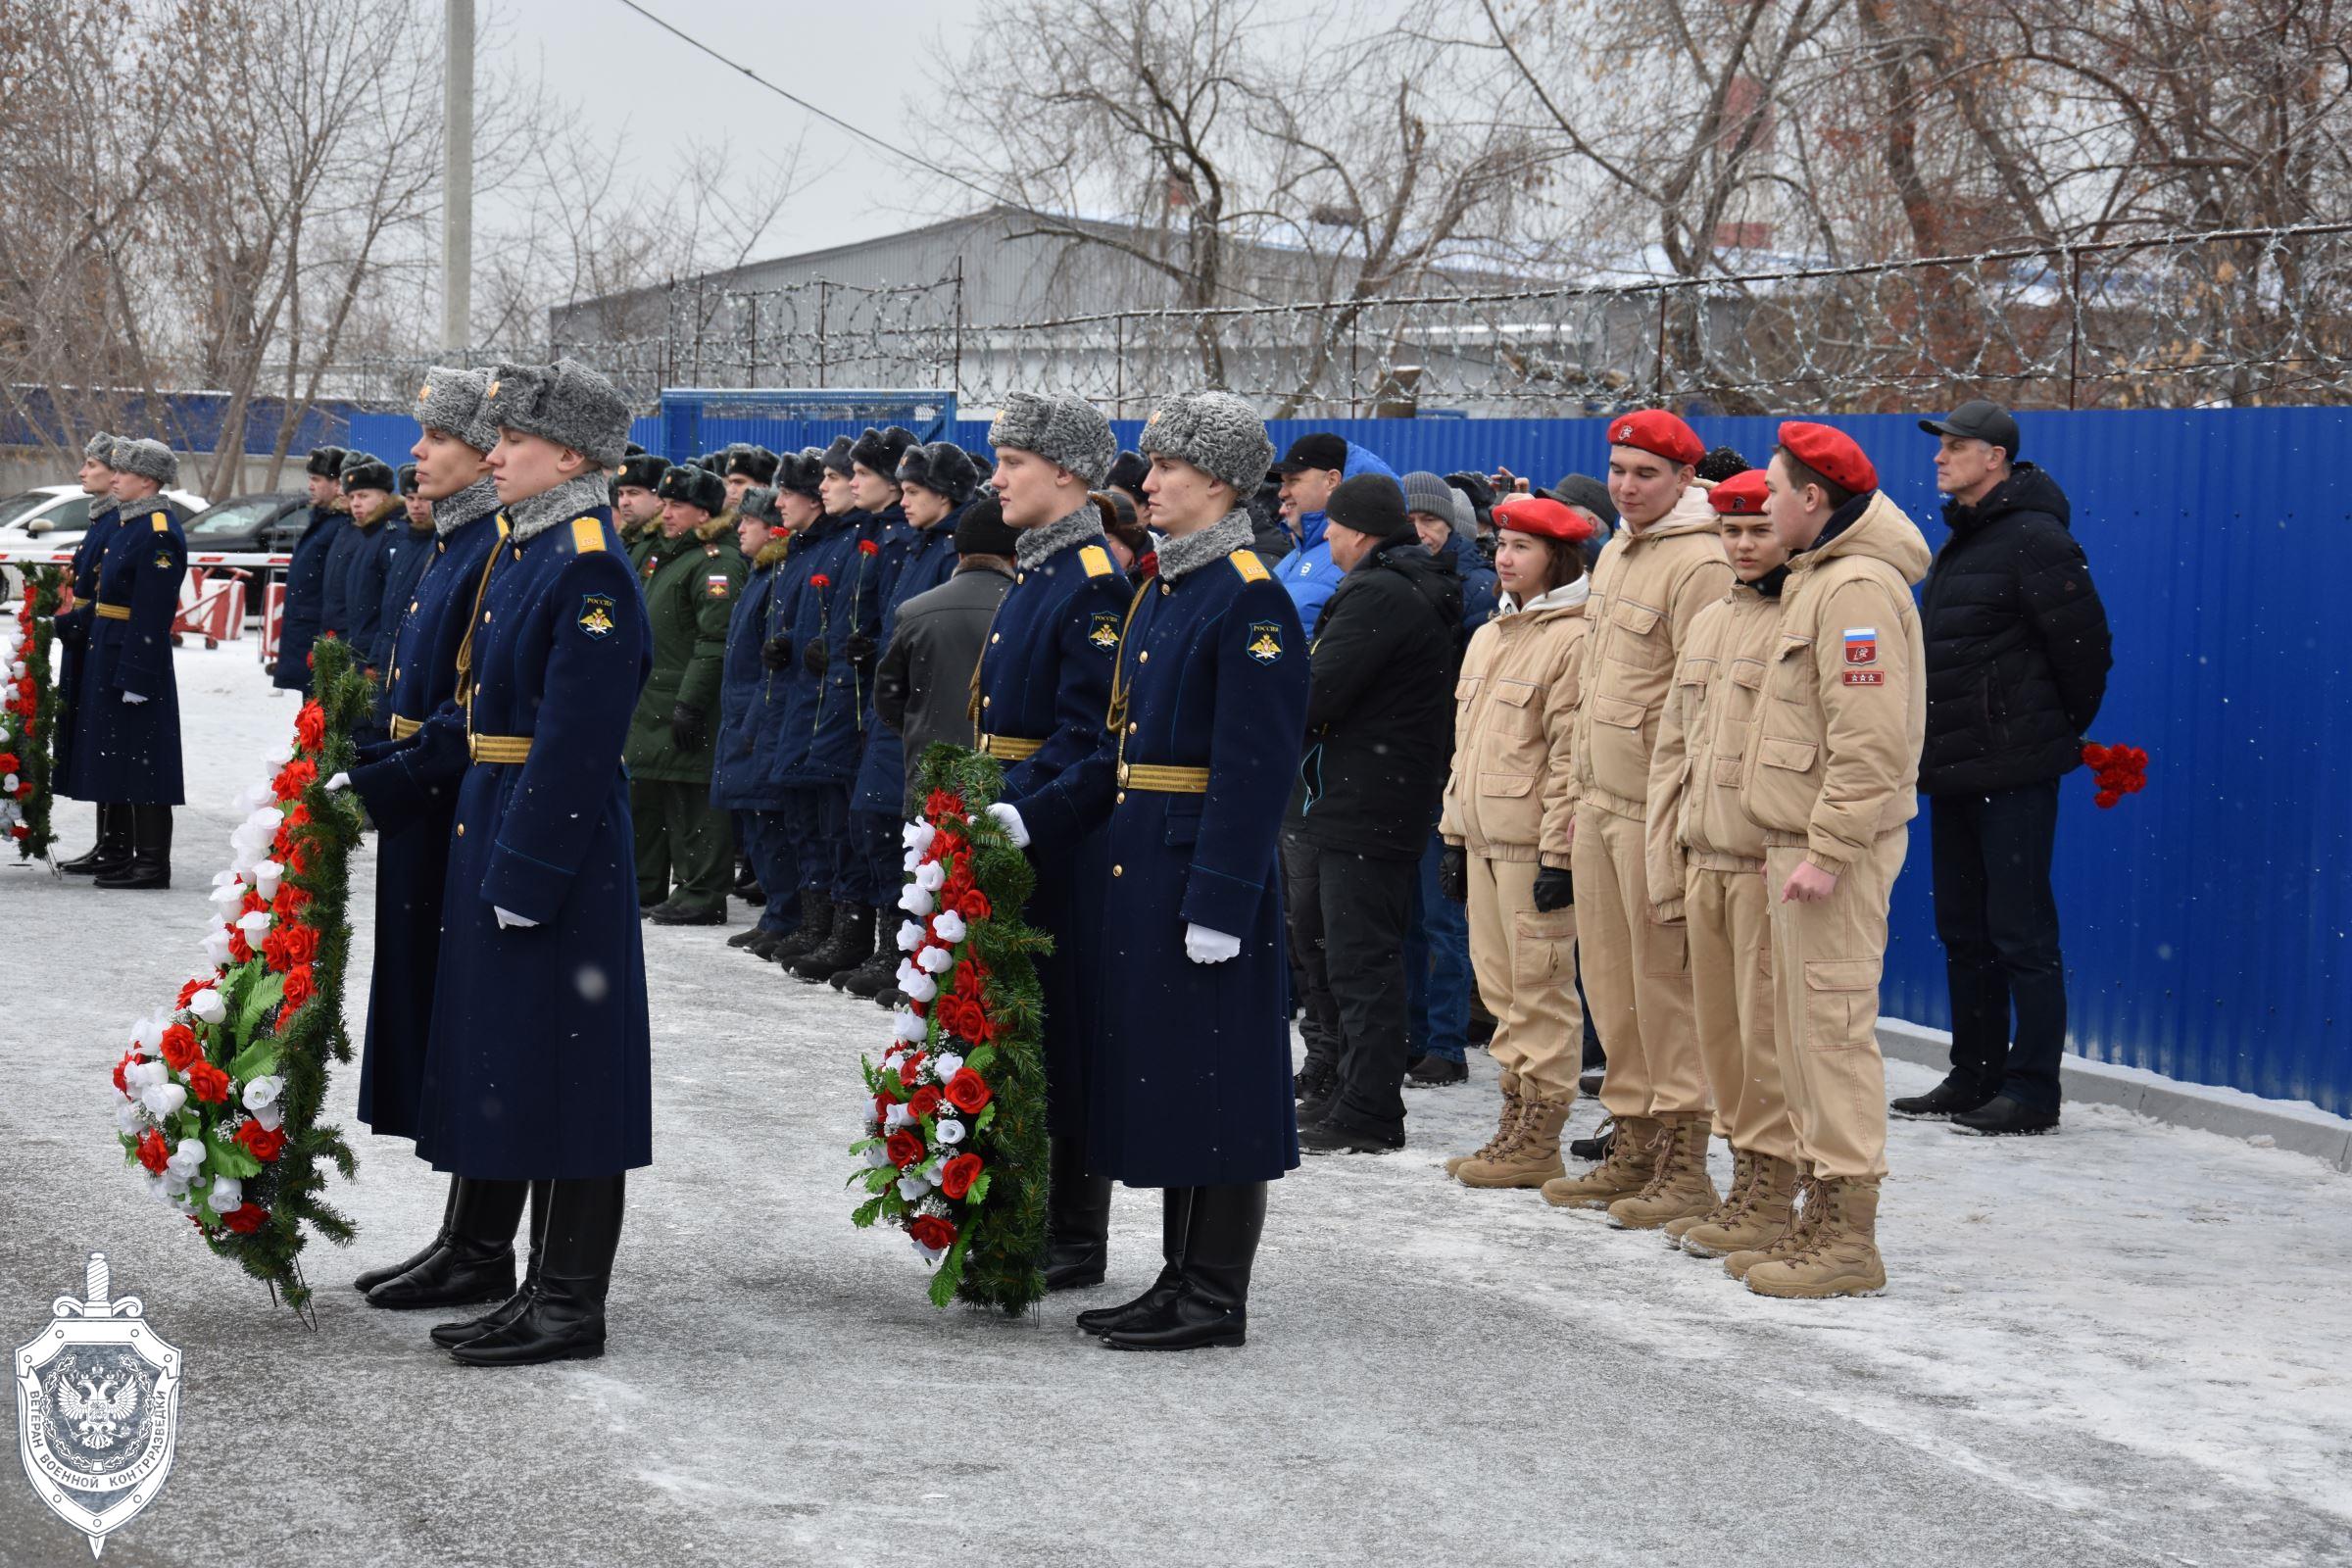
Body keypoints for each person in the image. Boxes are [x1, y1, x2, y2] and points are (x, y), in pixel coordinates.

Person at [343, 357, 652, 1365]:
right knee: (520, 1059)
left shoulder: (589, 562)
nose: (496, 451)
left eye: (513, 438)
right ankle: (512, 1270)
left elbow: (576, 739)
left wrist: (526, 874)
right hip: (500, 818)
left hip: (551, 845)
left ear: (570, 453)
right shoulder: (533, 550)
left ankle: (569, 1300)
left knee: (570, 1073)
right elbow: (481, 711)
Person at [991, 389, 1306, 1350]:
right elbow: (1120, 749)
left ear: (1216, 481)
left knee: (1220, 1085)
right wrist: (1029, 816)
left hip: (1203, 876)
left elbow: (1256, 768)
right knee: (1182, 1080)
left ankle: (1214, 1292)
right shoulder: (1172, 586)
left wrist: (1220, 899)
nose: (1148, 481)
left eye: (1166, 467)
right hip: (1151, 867)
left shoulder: (1247, 593)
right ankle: (1178, 1276)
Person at [1724, 421, 1928, 1300]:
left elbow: (1869, 743)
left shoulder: (1855, 590)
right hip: (1794, 846)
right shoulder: (1817, 579)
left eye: (1773, 491)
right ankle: (1818, 1214)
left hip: (1827, 853)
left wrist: (1832, 848)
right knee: (1800, 1037)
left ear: (1813, 499)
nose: (1762, 507)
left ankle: (1849, 1239)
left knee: (1832, 1034)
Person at [342, 367, 513, 1309]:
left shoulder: (493, 547)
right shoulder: (451, 541)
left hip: (451, 810)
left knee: (466, 1033)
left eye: (434, 437)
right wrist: (359, 756)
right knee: (440, 1029)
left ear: (484, 450)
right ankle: (463, 1234)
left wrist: (377, 786)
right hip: (425, 807)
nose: (416, 453)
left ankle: (482, 1245)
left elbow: (472, 713)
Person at [1902, 400, 2112, 1136]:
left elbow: (2085, 652)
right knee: (1963, 928)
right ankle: (1975, 1075)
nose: (1940, 458)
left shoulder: (2035, 539)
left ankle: (2031, 1091)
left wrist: (2041, 735)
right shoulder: (1966, 540)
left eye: (1955, 447)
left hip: (2013, 769)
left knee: (2021, 933)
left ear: (1994, 457)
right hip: (1954, 767)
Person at [1544, 411, 1732, 1222]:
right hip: (1599, 799)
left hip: (1657, 809)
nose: (1626, 485)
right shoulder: (1620, 548)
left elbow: (1705, 696)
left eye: (1646, 473)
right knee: (1613, 990)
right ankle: (1635, 1145)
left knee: (1666, 992)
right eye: (1618, 469)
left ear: (1685, 479)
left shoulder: (1700, 559)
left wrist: (1683, 814)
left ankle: (1686, 1166)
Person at [968, 390, 1128, 1292]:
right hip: (1011, 816)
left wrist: (1022, 814)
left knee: (1059, 1029)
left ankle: (1074, 1230)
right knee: (1015, 1023)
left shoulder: (1093, 578)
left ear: (1065, 472)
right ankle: (1023, 1209)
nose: (997, 479)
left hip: (1058, 839)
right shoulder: (1043, 570)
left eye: (1013, 462)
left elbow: (1090, 733)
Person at [1642, 466, 1802, 1256]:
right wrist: (1665, 854)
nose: (1742, 545)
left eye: (1756, 530)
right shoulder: (1710, 622)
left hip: (1764, 856)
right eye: (1730, 531)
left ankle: (1776, 1192)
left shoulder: (1801, 615)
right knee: (1723, 1040)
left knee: (1766, 1036)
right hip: (1704, 853)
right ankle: (1744, 1179)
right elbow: (1675, 747)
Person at [1286, 473, 1463, 1154]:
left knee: (1360, 960)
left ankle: (1369, 1108)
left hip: (1363, 801)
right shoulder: (1399, 586)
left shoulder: (1380, 594)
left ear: (1357, 530)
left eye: (1332, 526)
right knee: (1350, 955)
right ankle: (1353, 1093)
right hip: (1372, 795)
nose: (1325, 537)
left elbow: (1317, 693)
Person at [1439, 494, 1597, 1189]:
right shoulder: (1490, 635)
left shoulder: (1575, 637)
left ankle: (1541, 1133)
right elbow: (1465, 747)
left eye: (1522, 548)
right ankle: (1514, 1116)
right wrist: (1451, 835)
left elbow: (1569, 756)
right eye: (1500, 545)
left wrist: (1559, 857)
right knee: (1503, 992)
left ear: (1557, 558)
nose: (1504, 558)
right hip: (1482, 838)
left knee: (1541, 989)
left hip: (1532, 844)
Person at [836, 438, 976, 999]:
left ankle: (909, 954)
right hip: (896, 706)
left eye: (915, 491)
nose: (905, 499)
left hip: (923, 710)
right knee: (874, 824)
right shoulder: (917, 545)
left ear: (945, 496)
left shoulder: (949, 550)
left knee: (911, 840)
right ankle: (889, 948)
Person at [802, 426, 920, 986]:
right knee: (846, 820)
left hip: (878, 703)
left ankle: (889, 946)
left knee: (876, 824)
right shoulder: (872, 535)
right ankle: (851, 933)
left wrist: (869, 650)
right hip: (852, 700)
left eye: (858, 474)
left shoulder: (900, 539)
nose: (847, 483)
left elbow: (899, 624)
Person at [50, 437, 187, 891]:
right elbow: (110, 598)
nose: (115, 478)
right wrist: (67, 625)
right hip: (113, 650)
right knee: (125, 756)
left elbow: (152, 609)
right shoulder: (133, 524)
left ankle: (152, 863)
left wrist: (138, 674)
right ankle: (126, 854)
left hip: (134, 657)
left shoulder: (159, 529)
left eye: (123, 473)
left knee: (145, 761)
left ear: (146, 480)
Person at [1397, 470, 1496, 1087]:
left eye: (1430, 521)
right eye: (1410, 521)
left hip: (1449, 768)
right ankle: (1415, 1035)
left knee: (1443, 915)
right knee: (1409, 914)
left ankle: (1446, 1041)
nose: (1420, 532)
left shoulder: (1473, 587)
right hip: (1410, 764)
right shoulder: (1402, 578)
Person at [627, 461, 747, 925]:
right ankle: (649, 885)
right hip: (652, 700)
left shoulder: (716, 563)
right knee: (653, 796)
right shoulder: (669, 553)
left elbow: (713, 641)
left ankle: (702, 891)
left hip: (684, 701)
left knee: (694, 799)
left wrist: (690, 701)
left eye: (679, 505)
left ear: (704, 514)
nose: (667, 511)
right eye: (667, 502)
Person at [767, 438, 869, 971]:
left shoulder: (852, 543)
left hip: (832, 703)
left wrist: (826, 649)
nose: (779, 504)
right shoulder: (808, 548)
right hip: (803, 702)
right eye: (827, 479)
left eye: (794, 491)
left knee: (840, 825)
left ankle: (844, 929)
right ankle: (815, 920)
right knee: (807, 818)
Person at [875, 494, 1016, 819]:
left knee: (931, 867)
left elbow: (887, 699)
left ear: (960, 553)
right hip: (1005, 782)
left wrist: (923, 728)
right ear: (1014, 555)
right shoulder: (1026, 609)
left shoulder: (915, 612)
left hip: (932, 780)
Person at [54, 433, 127, 875]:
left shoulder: (116, 521)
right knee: (96, 745)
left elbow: (106, 595)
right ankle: (109, 842)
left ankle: (117, 844)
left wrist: (67, 625)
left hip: (96, 639)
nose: (83, 472)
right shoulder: (102, 519)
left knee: (108, 746)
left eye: (92, 465)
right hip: (87, 640)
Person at [1271, 431, 1396, 635]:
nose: (1282, 493)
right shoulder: (1295, 556)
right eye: (1283, 483)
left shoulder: (1355, 555)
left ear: (1331, 481)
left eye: (1293, 481)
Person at [367, 464, 437, 734]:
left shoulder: (438, 544)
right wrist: (375, 659)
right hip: (388, 655)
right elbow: (387, 608)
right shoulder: (402, 542)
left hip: (413, 660)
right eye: (410, 499)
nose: (416, 506)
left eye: (423, 498)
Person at [273, 447, 349, 695]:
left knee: (322, 723)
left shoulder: (339, 525)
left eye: (317, 479)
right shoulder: (324, 520)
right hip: (307, 639)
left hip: (321, 641)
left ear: (338, 484)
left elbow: (336, 590)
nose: (310, 485)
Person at [322, 451, 393, 655]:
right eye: (352, 496)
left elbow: (387, 604)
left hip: (364, 646)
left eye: (362, 495)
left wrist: (375, 655)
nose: (355, 502)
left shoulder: (389, 535)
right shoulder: (352, 530)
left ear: (384, 497)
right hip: (345, 640)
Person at [612, 449, 668, 566]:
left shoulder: (667, 543)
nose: (623, 502)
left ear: (659, 498)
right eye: (620, 494)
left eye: (633, 493)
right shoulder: (623, 539)